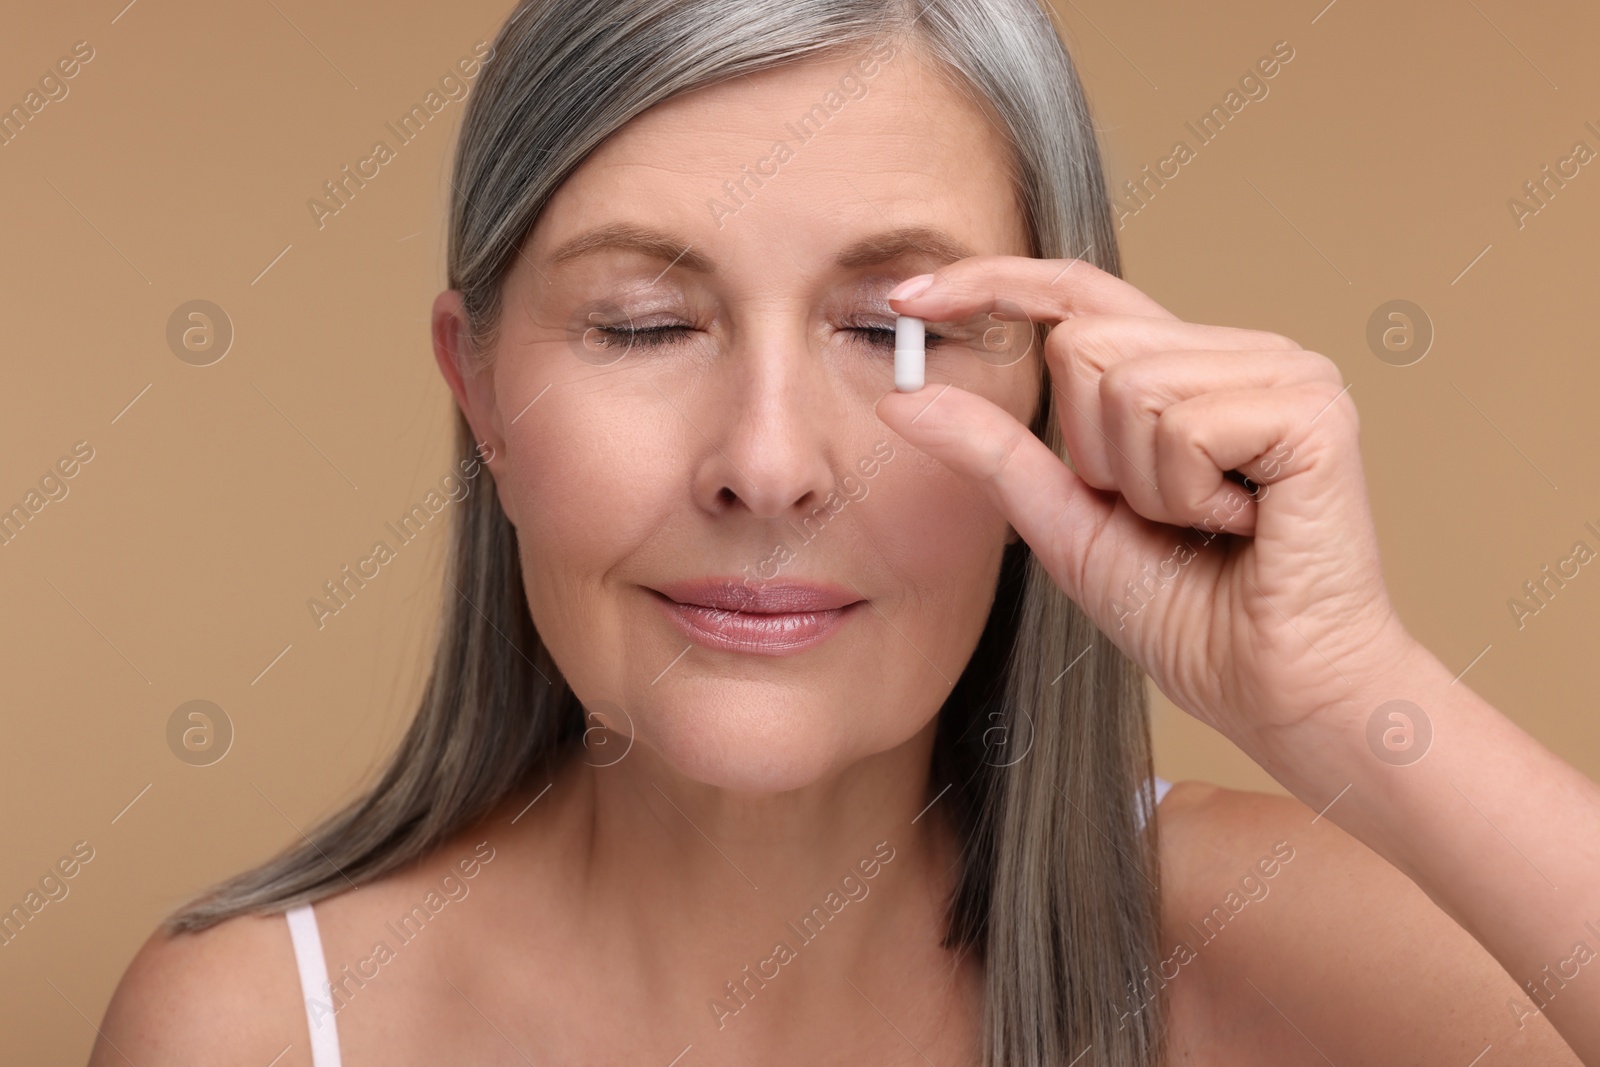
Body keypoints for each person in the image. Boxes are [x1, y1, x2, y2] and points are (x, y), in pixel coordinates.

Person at [90, 1, 1599, 1064]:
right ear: (475, 382)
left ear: (1061, 391)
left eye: (897, 334)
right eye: (645, 323)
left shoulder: (1278, 951)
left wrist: (1346, 687)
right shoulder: (256, 1030)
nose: (766, 462)